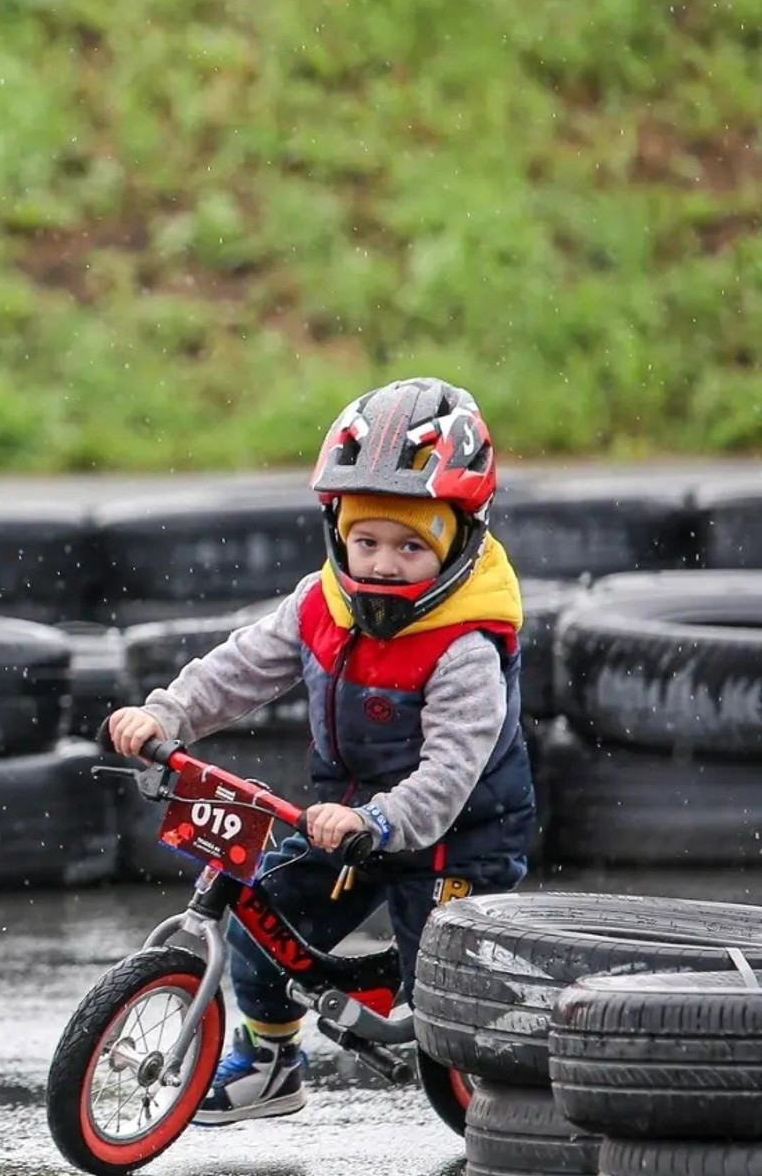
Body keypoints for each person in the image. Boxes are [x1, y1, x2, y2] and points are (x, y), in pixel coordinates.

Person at [106, 376, 535, 1124]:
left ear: (460, 541)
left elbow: (452, 770)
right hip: (344, 818)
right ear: (338, 532)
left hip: (457, 834)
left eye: (411, 546)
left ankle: (506, 1091)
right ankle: (271, 1060)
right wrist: (165, 715)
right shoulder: (320, 604)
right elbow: (238, 670)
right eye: (366, 541)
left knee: (439, 986)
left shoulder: (464, 646)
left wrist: (383, 821)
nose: (381, 563)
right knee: (258, 916)